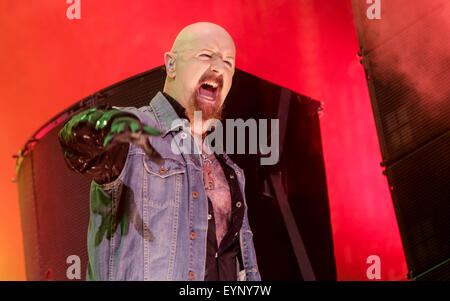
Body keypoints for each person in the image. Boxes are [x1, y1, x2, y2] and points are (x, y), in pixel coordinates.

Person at [58, 22, 261, 281]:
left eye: (228, 62)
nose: (218, 67)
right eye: (206, 55)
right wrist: (92, 128)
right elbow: (76, 143)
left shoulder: (231, 171)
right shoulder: (134, 133)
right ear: (172, 65)